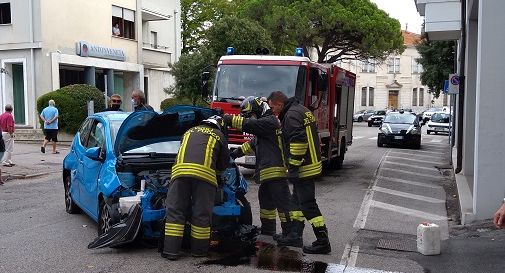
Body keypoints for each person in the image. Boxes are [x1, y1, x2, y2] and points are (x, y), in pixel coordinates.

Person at [223, 96, 301, 246]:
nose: (250, 118)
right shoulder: (264, 127)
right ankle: (268, 230)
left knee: (283, 203)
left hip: (276, 171)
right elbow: (253, 144)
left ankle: (291, 234)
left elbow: (249, 124)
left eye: (251, 114)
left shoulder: (270, 121)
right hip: (267, 172)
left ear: (258, 110)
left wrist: (227, 119)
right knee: (265, 200)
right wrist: (234, 153)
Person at [268, 91, 331, 254]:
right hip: (310, 164)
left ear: (280, 104)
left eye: (273, 107)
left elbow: (298, 142)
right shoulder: (300, 110)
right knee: (296, 203)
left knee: (308, 205)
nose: (273, 111)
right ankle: (295, 235)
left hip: (304, 168)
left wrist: (293, 167)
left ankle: (323, 241)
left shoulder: (291, 115)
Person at [162, 116, 230, 260]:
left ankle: (171, 251)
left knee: (175, 211)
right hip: (204, 176)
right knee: (201, 214)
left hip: (179, 173)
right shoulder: (219, 135)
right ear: (219, 126)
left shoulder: (189, 131)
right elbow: (223, 164)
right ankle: (199, 251)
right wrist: (218, 177)